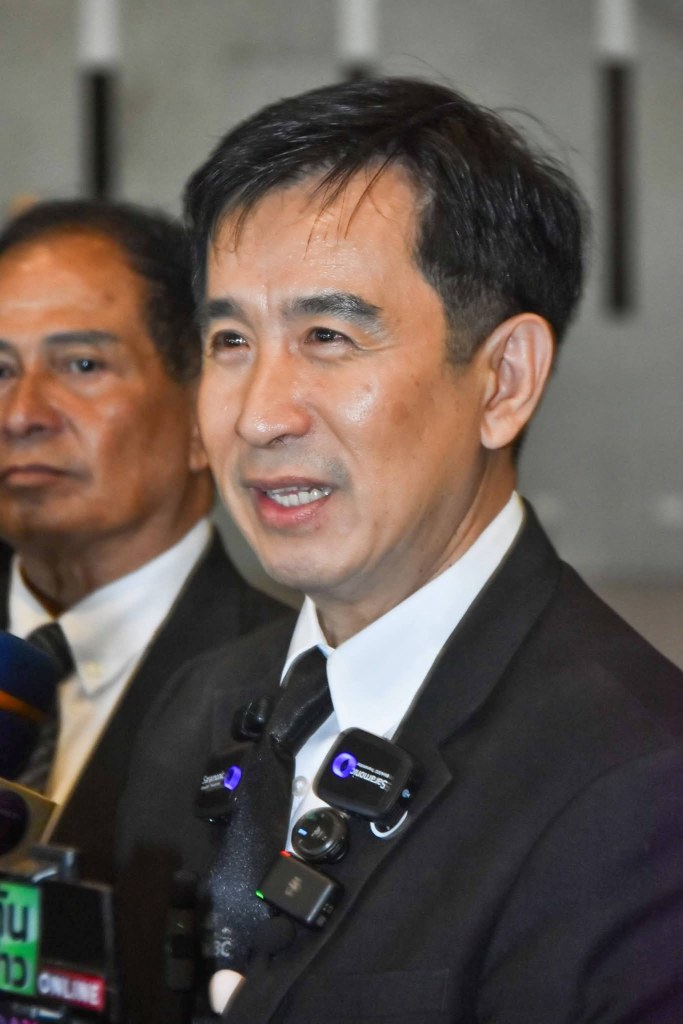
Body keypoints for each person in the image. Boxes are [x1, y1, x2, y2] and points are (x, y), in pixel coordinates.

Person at [117, 78, 683, 1023]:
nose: (258, 415)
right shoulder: (197, 704)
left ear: (502, 381)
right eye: (229, 340)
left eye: (327, 335)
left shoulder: (640, 786)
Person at [0, 199, 289, 882]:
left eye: (82, 365)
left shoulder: (289, 691)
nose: (21, 414)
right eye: (0, 371)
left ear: (202, 414)